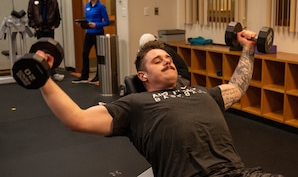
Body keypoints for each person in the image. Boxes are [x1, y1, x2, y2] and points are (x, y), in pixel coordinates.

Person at [37, 29, 284, 177]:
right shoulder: (135, 104)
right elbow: (76, 119)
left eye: (168, 58)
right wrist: (41, 77)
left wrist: (249, 48)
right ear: (142, 76)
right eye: (157, 60)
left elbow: (239, 86)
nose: (167, 61)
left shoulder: (203, 93)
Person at [27, 0, 64, 82]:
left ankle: (53, 72)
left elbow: (57, 16)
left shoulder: (53, 1)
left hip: (50, 29)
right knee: (41, 51)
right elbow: (30, 15)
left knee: (51, 50)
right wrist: (34, 26)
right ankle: (42, 72)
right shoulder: (33, 0)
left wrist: (55, 25)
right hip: (39, 29)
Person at [72, 0, 110, 84]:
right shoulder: (87, 5)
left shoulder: (101, 6)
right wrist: (82, 23)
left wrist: (96, 24)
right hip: (88, 33)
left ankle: (98, 76)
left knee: (99, 55)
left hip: (98, 33)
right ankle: (84, 76)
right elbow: (87, 18)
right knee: (85, 53)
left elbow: (107, 21)